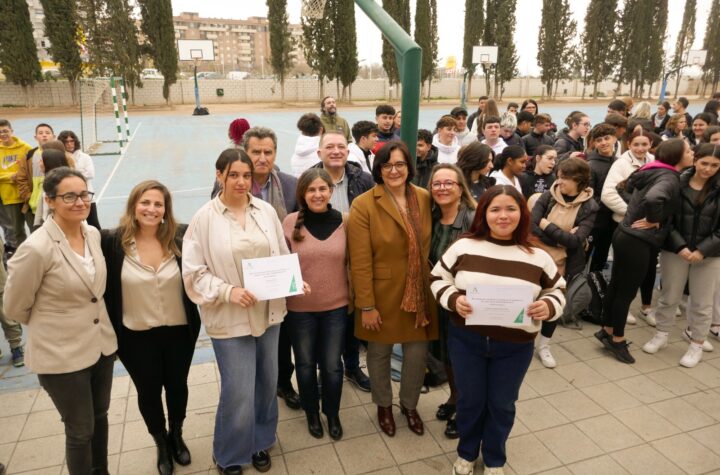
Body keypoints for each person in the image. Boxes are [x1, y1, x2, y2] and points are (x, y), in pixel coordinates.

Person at [431, 185, 565, 475]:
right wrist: (454, 299)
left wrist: (549, 306)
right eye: (495, 209)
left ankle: (494, 458)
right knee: (470, 400)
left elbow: (557, 290)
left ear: (522, 213)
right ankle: (467, 452)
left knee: (502, 404)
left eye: (510, 209)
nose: (503, 216)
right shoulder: (464, 246)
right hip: (467, 341)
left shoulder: (536, 255)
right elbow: (437, 278)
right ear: (483, 213)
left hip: (515, 347)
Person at [183, 149, 302, 475]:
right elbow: (194, 273)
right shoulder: (204, 218)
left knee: (266, 384)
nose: (240, 181)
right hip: (230, 318)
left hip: (268, 314)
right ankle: (230, 453)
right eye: (233, 174)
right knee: (237, 391)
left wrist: (293, 282)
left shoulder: (264, 211)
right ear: (219, 175)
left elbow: (279, 254)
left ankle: (261, 441)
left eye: (246, 175)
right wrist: (228, 291)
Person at [4, 167, 117, 475]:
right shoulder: (36, 248)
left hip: (101, 348)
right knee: (80, 431)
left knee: (101, 417)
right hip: (61, 356)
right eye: (69, 196)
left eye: (84, 195)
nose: (80, 202)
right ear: (50, 200)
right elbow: (14, 307)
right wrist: (54, 322)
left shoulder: (91, 233)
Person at [102, 180, 201, 474]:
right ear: (134, 205)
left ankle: (177, 435)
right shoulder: (113, 242)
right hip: (135, 336)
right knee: (148, 392)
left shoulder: (180, 238)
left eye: (158, 204)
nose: (151, 209)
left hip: (178, 333)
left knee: (177, 387)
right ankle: (160, 442)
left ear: (166, 210)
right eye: (145, 202)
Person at [347, 141, 437, 438]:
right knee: (380, 352)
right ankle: (384, 405)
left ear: (409, 167)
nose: (394, 170)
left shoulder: (423, 197)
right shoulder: (364, 204)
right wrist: (367, 305)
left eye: (400, 164)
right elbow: (359, 261)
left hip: (419, 291)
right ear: (379, 169)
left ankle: (409, 406)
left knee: (416, 353)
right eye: (388, 165)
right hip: (381, 292)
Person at [596, 139, 694, 364]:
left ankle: (607, 329)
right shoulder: (669, 178)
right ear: (677, 157)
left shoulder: (652, 169)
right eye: (688, 151)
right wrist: (653, 219)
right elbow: (653, 198)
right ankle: (617, 340)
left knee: (616, 286)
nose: (692, 153)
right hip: (638, 240)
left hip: (625, 234)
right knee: (626, 293)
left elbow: (628, 187)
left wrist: (635, 212)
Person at [283, 168, 349, 440]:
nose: (318, 194)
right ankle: (312, 411)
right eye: (311, 190)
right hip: (300, 310)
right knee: (306, 364)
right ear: (303, 194)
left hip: (336, 307)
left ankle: (331, 412)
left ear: (331, 191)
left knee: (333, 365)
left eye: (323, 189)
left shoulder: (347, 221)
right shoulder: (289, 223)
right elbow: (280, 264)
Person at [642, 143, 720, 367]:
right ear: (695, 159)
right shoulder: (677, 182)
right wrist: (681, 247)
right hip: (676, 249)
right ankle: (662, 333)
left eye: (715, 165)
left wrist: (702, 250)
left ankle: (696, 343)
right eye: (704, 163)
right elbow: (666, 219)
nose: (708, 169)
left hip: (710, 254)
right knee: (669, 296)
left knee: (702, 302)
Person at [310, 132, 374, 392]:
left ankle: (351, 366)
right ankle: (325, 367)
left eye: (341, 147)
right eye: (329, 147)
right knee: (322, 320)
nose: (336, 151)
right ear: (319, 153)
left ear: (348, 152)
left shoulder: (364, 180)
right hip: (320, 261)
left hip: (353, 260)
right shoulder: (308, 180)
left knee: (350, 319)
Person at [243, 127, 301, 410]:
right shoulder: (229, 185)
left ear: (275, 153)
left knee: (283, 334)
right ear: (246, 153)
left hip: (281, 273)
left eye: (268, 152)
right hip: (246, 274)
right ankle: (254, 384)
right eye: (256, 152)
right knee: (253, 332)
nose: (262, 158)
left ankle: (283, 382)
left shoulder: (289, 185)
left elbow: (300, 226)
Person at [530, 158, 598, 367]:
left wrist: (547, 225)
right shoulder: (548, 195)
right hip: (535, 257)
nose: (559, 182)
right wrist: (561, 236)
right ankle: (523, 339)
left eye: (564, 179)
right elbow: (532, 225)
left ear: (579, 181)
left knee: (552, 305)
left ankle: (544, 346)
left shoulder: (589, 206)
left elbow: (575, 242)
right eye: (558, 177)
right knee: (529, 298)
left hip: (563, 264)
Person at [427, 164, 476, 440]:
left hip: (466, 304)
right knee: (447, 355)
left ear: (460, 189)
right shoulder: (431, 218)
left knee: (464, 359)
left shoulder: (472, 218)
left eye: (449, 183)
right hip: (441, 300)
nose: (442, 188)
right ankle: (455, 398)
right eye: (437, 183)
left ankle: (465, 409)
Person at [602, 129, 656, 324]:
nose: (641, 148)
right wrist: (631, 213)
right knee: (624, 270)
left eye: (644, 144)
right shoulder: (621, 164)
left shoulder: (653, 161)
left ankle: (646, 306)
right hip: (627, 225)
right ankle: (623, 307)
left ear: (650, 144)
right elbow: (608, 195)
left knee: (648, 268)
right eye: (636, 145)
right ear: (629, 145)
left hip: (649, 226)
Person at [586, 124, 619, 272]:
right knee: (585, 256)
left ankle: (596, 284)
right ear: (594, 143)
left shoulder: (619, 162)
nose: (603, 142)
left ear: (614, 138)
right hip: (596, 220)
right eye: (599, 140)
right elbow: (589, 196)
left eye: (607, 138)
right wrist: (612, 203)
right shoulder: (591, 165)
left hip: (614, 219)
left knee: (602, 255)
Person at [0, 119, 33, 252]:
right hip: (9, 198)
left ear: (12, 131)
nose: (3, 134)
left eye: (5, 131)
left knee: (35, 228)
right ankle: (23, 257)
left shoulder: (25, 148)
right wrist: (10, 177)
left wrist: (20, 176)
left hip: (26, 196)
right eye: (0, 132)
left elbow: (31, 169)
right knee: (17, 232)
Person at [58, 130, 100, 229]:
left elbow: (90, 174)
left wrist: (72, 171)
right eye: (66, 142)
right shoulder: (61, 158)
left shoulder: (85, 157)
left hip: (87, 196)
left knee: (94, 224)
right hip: (69, 199)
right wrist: (80, 171)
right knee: (72, 226)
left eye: (71, 141)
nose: (69, 144)